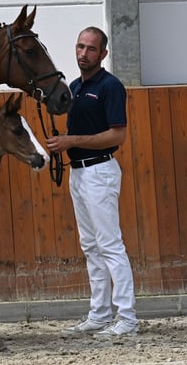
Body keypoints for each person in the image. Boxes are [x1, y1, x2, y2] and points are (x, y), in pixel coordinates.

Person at [46, 27, 138, 337]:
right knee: (91, 246)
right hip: (80, 172)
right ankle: (99, 313)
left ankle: (126, 317)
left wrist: (71, 139)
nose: (83, 53)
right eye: (80, 47)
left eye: (91, 49)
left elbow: (117, 135)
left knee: (110, 244)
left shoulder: (110, 86)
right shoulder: (74, 87)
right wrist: (65, 142)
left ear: (103, 54)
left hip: (100, 171)